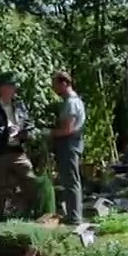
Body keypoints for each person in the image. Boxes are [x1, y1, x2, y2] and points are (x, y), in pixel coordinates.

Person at [0, 73, 36, 218]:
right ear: (2, 88)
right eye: (12, 86)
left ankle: (27, 212)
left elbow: (29, 124)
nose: (15, 89)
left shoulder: (20, 105)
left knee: (30, 179)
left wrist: (25, 133)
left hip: (18, 151)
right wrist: (5, 132)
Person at [50, 70, 87, 224]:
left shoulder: (71, 103)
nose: (54, 88)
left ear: (64, 83)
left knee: (71, 181)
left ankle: (74, 217)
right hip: (73, 144)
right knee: (70, 180)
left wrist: (49, 133)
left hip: (69, 145)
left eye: (55, 85)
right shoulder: (75, 101)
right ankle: (73, 215)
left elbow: (67, 129)